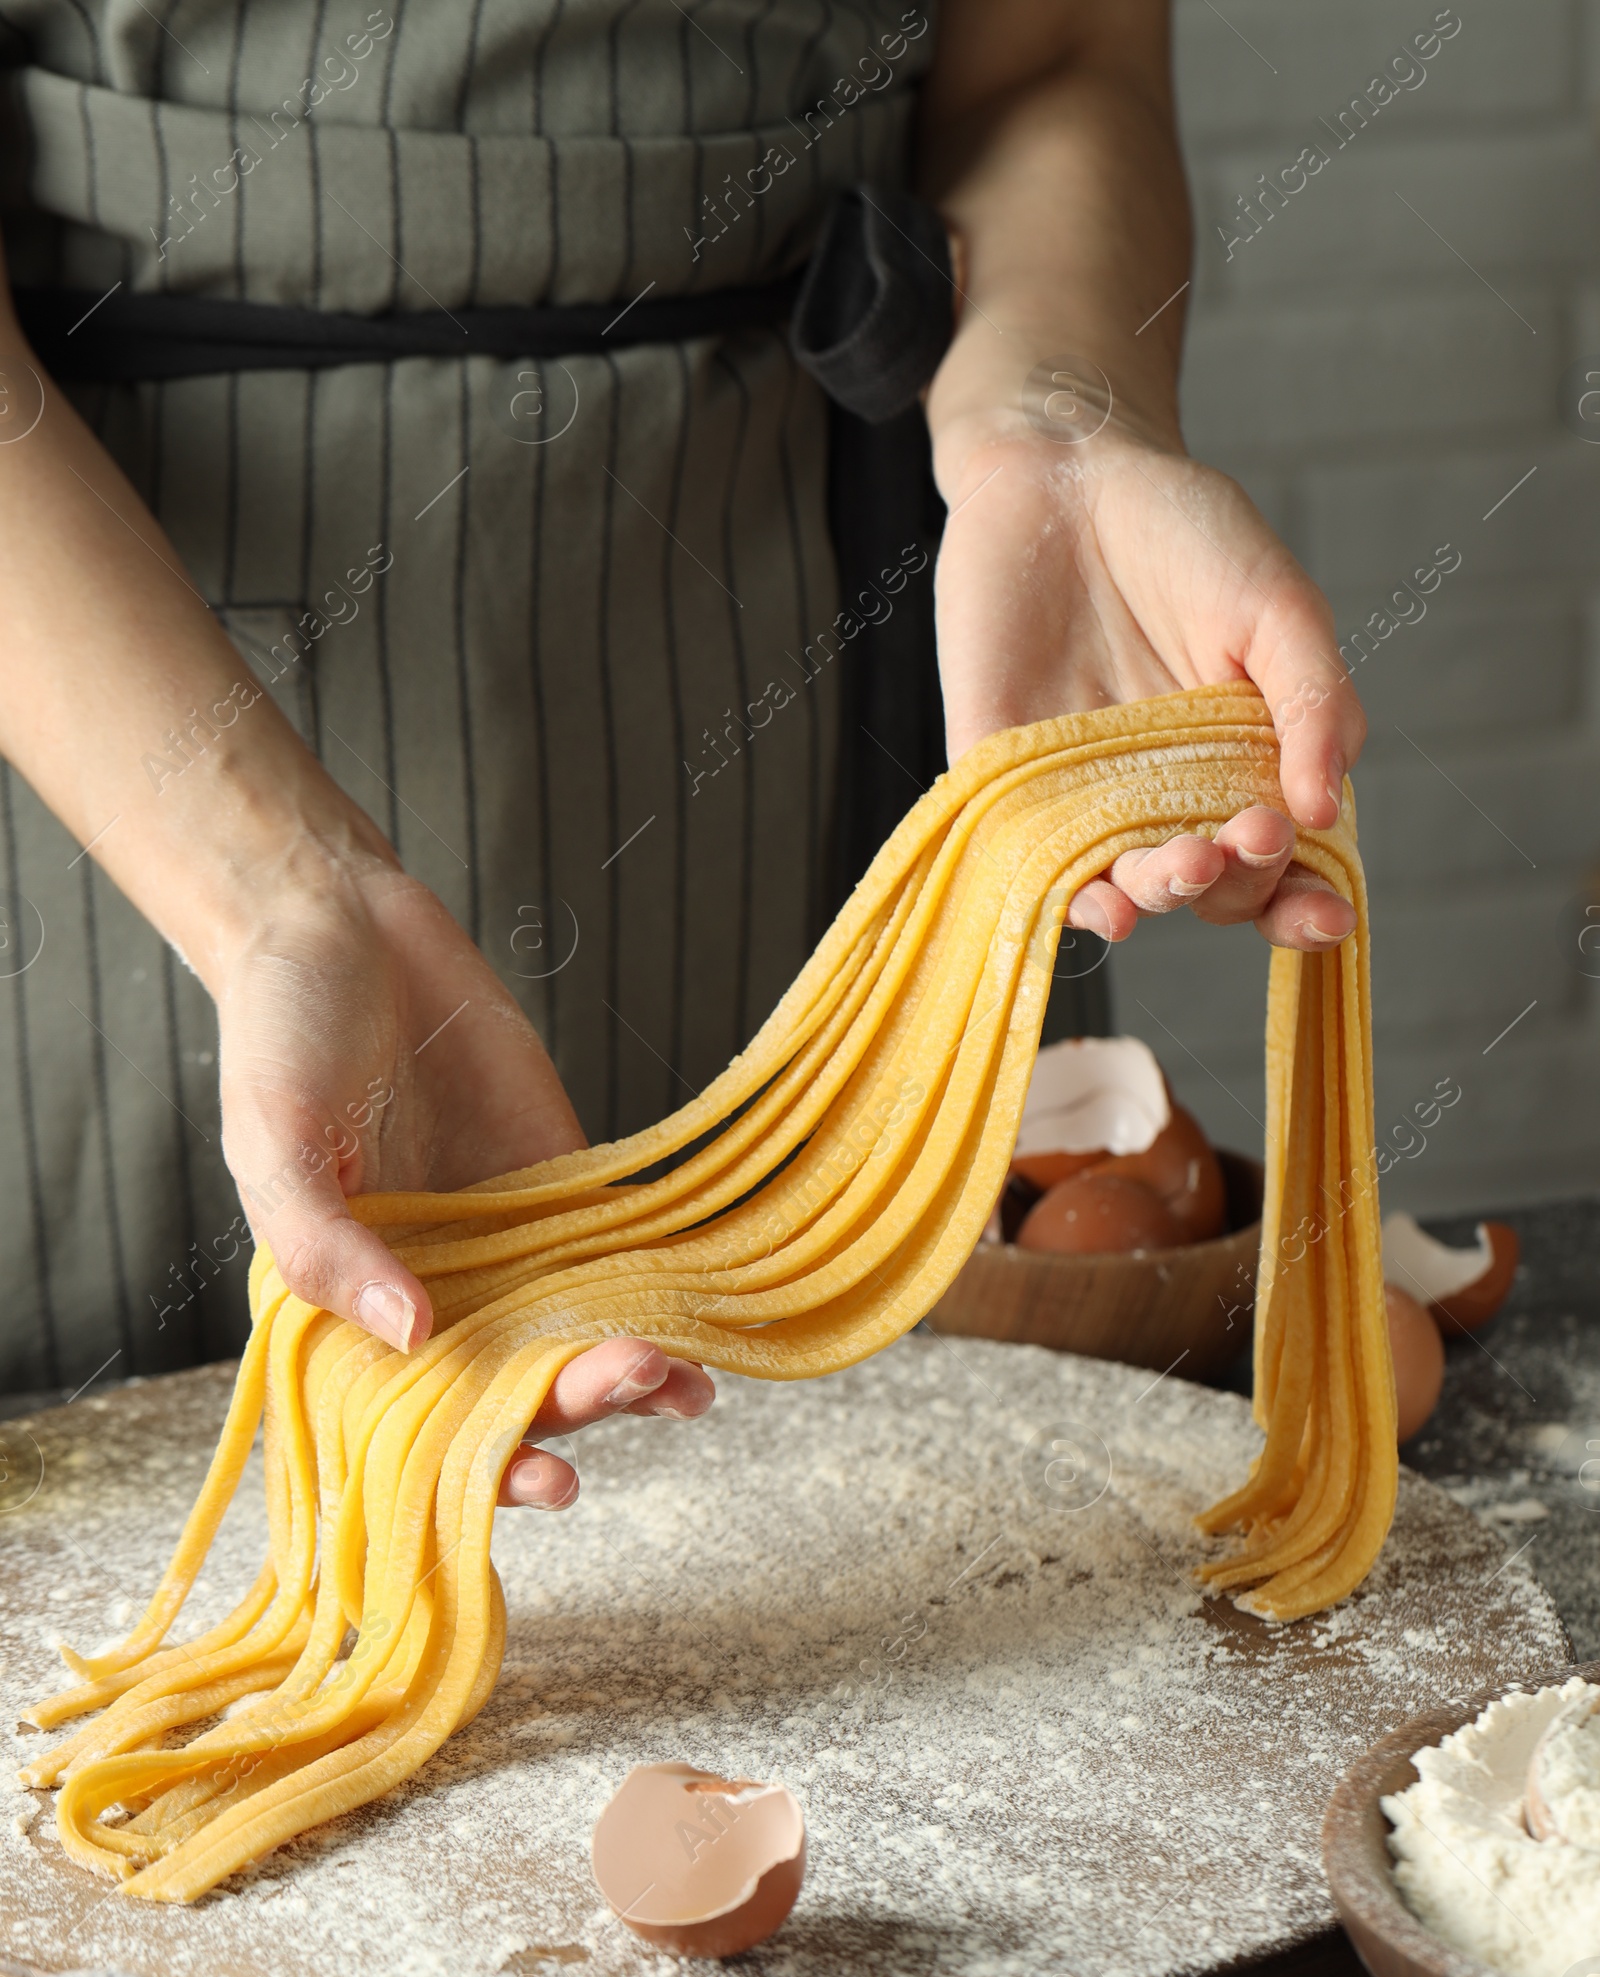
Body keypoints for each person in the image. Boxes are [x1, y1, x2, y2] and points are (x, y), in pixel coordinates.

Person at [0, 0, 1364, 1511]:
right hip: (134, 715)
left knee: (912, 1553)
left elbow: (1057, 63)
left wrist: (1051, 428)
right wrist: (275, 894)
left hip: (830, 639)